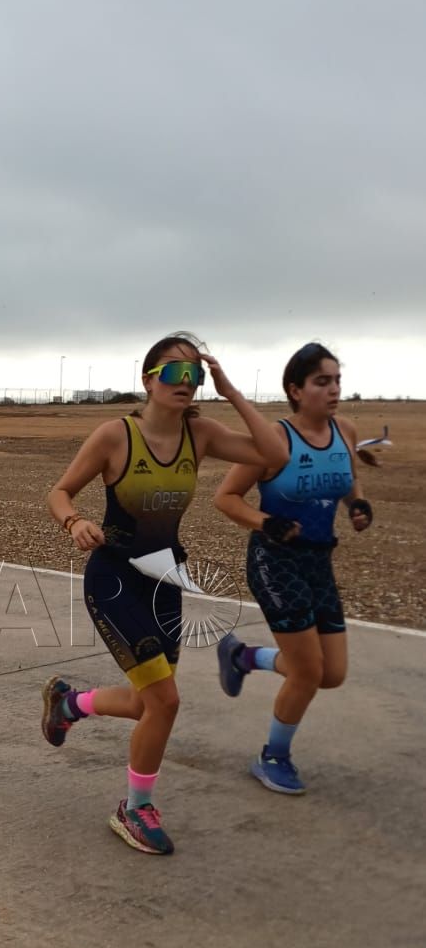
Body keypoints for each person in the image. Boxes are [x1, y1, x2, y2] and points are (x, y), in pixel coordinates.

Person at [42, 331, 290, 855]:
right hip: (113, 578)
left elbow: (274, 453)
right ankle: (134, 810)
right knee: (166, 701)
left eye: (195, 374)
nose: (188, 383)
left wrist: (229, 389)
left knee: (144, 703)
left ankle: (71, 703)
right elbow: (59, 491)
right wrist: (74, 521)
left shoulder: (200, 435)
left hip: (166, 579)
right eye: (177, 373)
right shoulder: (115, 435)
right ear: (148, 379)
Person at [213, 341, 372, 794]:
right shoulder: (275, 441)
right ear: (296, 390)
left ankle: (245, 657)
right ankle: (273, 757)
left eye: (337, 380)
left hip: (319, 561)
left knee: (332, 674)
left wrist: (357, 503)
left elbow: (346, 476)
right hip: (274, 562)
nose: (334, 389)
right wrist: (268, 522)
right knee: (307, 673)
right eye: (322, 381)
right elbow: (225, 499)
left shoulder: (347, 429)